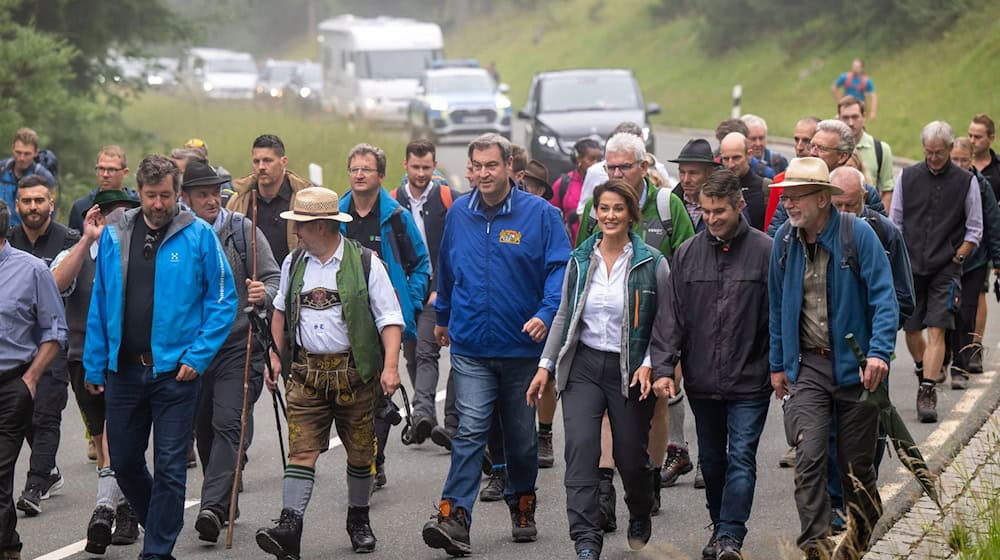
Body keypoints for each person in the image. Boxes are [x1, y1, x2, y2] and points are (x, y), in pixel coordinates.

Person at [421, 133, 570, 556]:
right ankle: (454, 518)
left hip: (523, 349)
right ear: (470, 169)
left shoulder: (541, 215)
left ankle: (522, 504)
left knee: (522, 438)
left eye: (492, 165)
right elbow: (447, 270)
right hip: (471, 347)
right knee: (469, 431)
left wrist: (545, 314)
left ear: (509, 168)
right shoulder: (459, 215)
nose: (484, 174)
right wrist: (444, 318)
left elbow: (560, 270)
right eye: (477, 166)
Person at [84, 154, 237, 560]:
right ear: (139, 193)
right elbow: (100, 304)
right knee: (126, 461)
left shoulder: (199, 236)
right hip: (123, 371)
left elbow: (224, 301)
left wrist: (198, 356)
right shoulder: (115, 235)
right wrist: (94, 363)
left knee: (170, 465)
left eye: (166, 196)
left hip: (176, 373)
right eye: (150, 196)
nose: (158, 204)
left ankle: (156, 552)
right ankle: (163, 522)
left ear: (176, 193)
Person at [255, 186, 404, 557]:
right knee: (301, 451)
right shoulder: (294, 262)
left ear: (321, 226)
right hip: (306, 374)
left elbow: (389, 319)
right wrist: (274, 358)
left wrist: (389, 367)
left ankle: (359, 519)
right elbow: (278, 311)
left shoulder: (366, 262)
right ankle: (290, 526)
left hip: (355, 375)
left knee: (359, 453)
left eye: (301, 226)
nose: (296, 233)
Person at [528, 179, 668, 559]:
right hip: (585, 366)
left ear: (631, 215)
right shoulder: (579, 259)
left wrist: (651, 364)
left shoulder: (652, 263)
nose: (609, 215)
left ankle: (639, 508)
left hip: (629, 369)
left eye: (618, 209)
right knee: (581, 449)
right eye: (603, 208)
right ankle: (586, 538)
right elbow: (563, 317)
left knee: (629, 457)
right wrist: (546, 366)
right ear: (594, 213)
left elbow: (665, 324)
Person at [769, 157, 897, 559]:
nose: (788, 204)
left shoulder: (857, 234)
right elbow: (775, 307)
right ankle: (816, 548)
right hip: (807, 367)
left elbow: (884, 298)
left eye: (797, 196)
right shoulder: (784, 242)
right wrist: (778, 364)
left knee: (857, 475)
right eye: (785, 197)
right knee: (808, 456)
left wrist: (878, 353)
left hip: (858, 370)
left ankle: (853, 547)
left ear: (823, 198)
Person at [652, 168, 773, 560]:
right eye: (705, 211)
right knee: (714, 462)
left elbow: (780, 316)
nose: (712, 218)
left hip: (751, 378)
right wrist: (664, 368)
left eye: (719, 210)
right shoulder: (687, 254)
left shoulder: (766, 251)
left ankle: (731, 537)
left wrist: (778, 364)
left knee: (741, 456)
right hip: (703, 379)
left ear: (739, 205)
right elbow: (671, 316)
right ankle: (720, 526)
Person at [575, 133, 694, 522]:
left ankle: (651, 479)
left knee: (657, 403)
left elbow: (689, 265)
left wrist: (675, 339)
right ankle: (606, 489)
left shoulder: (666, 205)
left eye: (624, 166)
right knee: (609, 413)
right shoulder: (597, 206)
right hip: (606, 339)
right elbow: (581, 261)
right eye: (610, 166)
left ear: (644, 166)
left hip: (659, 331)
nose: (616, 172)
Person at [179, 161, 281, 543]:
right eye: (201, 193)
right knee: (202, 428)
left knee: (228, 424)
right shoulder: (179, 235)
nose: (210, 199)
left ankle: (212, 507)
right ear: (185, 197)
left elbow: (274, 278)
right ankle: (225, 497)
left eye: (214, 192)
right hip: (192, 348)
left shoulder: (242, 230)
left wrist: (263, 293)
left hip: (240, 345)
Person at [50, 191, 141, 554]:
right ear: (97, 217)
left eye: (126, 218)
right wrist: (87, 239)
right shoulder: (77, 250)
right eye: (113, 218)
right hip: (82, 357)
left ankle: (109, 509)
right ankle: (120, 506)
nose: (120, 226)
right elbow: (55, 285)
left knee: (119, 437)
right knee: (102, 433)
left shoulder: (139, 253)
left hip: (127, 358)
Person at [340, 143, 430, 489]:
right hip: (344, 319)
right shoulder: (337, 215)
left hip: (384, 320)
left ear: (380, 176)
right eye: (354, 169)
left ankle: (372, 461)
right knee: (350, 396)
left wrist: (410, 299)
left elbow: (420, 264)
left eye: (366, 169)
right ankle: (362, 456)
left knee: (379, 392)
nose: (359, 175)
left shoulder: (396, 218)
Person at [891, 121, 983, 422]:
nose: (933, 158)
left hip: (946, 267)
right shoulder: (908, 177)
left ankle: (928, 389)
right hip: (912, 266)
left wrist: (958, 257)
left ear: (950, 147)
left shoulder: (965, 181)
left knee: (937, 327)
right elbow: (896, 223)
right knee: (913, 328)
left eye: (939, 153)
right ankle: (922, 368)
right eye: (928, 152)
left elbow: (975, 228)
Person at [0, 199, 66, 560]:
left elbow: (54, 330)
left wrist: (31, 377)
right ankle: (9, 544)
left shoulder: (31, 271)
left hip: (12, 385)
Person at [8, 175, 77, 518]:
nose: (33, 207)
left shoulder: (69, 240)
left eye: (39, 200)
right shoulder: (7, 240)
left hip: (54, 341)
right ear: (17, 204)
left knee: (46, 413)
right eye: (26, 201)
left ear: (51, 202)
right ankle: (48, 469)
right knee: (23, 415)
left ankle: (34, 486)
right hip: (14, 346)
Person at [390, 139, 459, 446]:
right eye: (415, 167)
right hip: (404, 290)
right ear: (405, 166)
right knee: (412, 353)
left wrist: (442, 288)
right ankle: (423, 418)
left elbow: (455, 248)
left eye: (426, 167)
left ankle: (423, 413)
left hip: (436, 289)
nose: (421, 173)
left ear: (435, 166)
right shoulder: (393, 202)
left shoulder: (448, 199)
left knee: (426, 349)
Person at [768, 119, 886, 237]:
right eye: (812, 146)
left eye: (821, 148)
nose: (813, 153)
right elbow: (775, 236)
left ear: (842, 156)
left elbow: (882, 235)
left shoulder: (863, 191)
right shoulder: (797, 189)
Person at [945, 138, 1000, 388]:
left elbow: (992, 222)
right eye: (954, 159)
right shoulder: (941, 183)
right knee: (945, 313)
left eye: (963, 160)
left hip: (975, 260)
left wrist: (997, 260)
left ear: (971, 160)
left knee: (967, 312)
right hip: (944, 260)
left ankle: (961, 363)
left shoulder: (981, 184)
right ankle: (944, 356)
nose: (958, 164)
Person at [227, 134, 314, 265]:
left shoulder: (303, 199)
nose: (261, 167)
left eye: (268, 160)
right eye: (256, 161)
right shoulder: (238, 201)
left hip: (292, 280)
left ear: (284, 162)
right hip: (250, 282)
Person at [576, 122, 672, 217]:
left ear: (643, 168)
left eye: (625, 167)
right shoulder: (593, 207)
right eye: (611, 168)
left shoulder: (669, 204)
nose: (617, 174)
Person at [967, 114, 1000, 367]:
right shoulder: (960, 165)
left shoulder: (997, 170)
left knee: (979, 292)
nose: (972, 140)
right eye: (970, 135)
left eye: (978, 136)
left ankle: (975, 345)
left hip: (989, 240)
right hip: (965, 238)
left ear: (991, 138)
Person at [837, 96, 894, 207]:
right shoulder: (830, 148)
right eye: (845, 118)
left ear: (864, 117)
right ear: (838, 118)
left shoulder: (881, 149)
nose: (850, 123)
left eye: (855, 117)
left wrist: (880, 220)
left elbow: (888, 190)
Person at [766, 117, 820, 230]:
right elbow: (770, 231)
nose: (799, 147)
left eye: (806, 141)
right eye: (796, 140)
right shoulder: (780, 181)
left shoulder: (832, 179)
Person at [68, 146, 137, 233]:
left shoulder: (136, 205)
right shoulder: (81, 207)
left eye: (111, 170)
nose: (105, 174)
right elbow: (73, 244)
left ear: (125, 173)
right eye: (101, 169)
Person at [0, 128, 55, 228]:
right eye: (18, 152)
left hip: (29, 233)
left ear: (36, 153)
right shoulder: (2, 169)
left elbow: (50, 213)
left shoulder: (44, 177)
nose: (21, 158)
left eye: (27, 154)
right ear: (12, 149)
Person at [552, 138, 602, 240]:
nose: (596, 164)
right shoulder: (563, 183)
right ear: (579, 159)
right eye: (591, 159)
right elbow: (551, 215)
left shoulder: (605, 182)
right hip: (569, 244)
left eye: (599, 160)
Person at [669, 138, 721, 232]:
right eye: (682, 172)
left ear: (709, 173)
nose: (686, 180)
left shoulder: (723, 204)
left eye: (693, 173)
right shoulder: (669, 204)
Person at [719, 132, 768, 230]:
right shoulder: (716, 187)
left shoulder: (765, 188)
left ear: (749, 155)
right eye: (726, 159)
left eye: (736, 158)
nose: (731, 164)